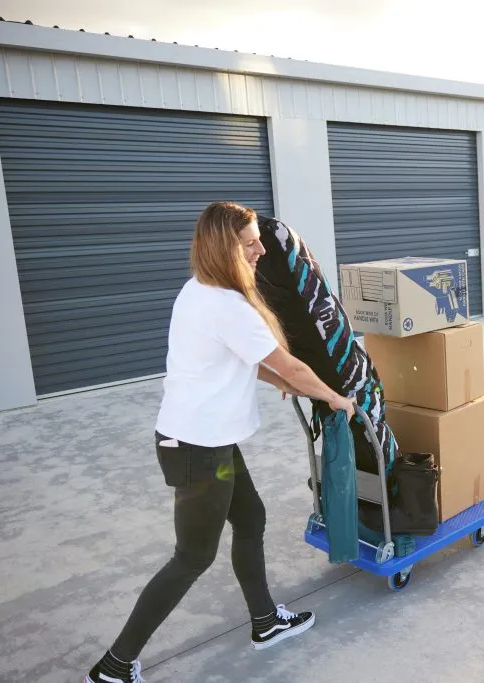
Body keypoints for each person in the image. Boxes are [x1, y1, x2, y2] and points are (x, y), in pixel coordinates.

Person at [84, 201, 355, 683]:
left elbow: (246, 362)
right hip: (197, 451)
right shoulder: (226, 305)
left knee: (250, 518)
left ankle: (265, 622)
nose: (261, 248)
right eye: (249, 241)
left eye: (259, 239)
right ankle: (113, 666)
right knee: (192, 556)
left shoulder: (200, 291)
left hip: (211, 443)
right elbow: (287, 364)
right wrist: (334, 396)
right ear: (224, 246)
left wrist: (284, 386)